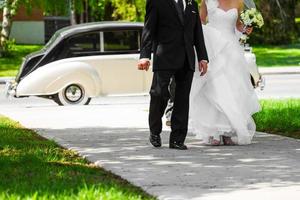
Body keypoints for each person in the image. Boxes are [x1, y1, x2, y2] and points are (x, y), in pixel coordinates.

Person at [138, 0, 209, 150]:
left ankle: (177, 139)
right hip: (164, 56)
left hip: (186, 58)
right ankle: (155, 131)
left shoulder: (192, 4)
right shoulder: (156, 2)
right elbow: (148, 29)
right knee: (158, 94)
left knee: (182, 99)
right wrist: (145, 55)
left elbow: (197, 32)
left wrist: (203, 56)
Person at [189, 0, 261, 145]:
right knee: (215, 87)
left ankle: (228, 131)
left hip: (232, 50)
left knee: (233, 88)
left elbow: (238, 26)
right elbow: (200, 23)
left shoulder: (239, 2)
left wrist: (246, 28)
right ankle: (214, 132)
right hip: (213, 48)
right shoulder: (207, 1)